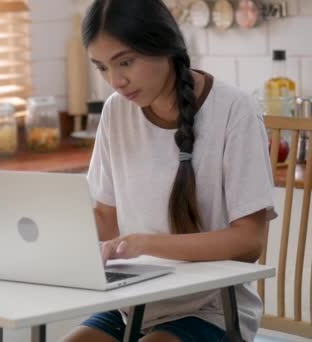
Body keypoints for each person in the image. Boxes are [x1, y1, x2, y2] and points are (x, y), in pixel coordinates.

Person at [62, 1, 276, 341]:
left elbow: (249, 241)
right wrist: (24, 237)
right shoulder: (116, 112)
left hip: (212, 309)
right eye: (101, 68)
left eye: (126, 62)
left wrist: (146, 244)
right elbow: (106, 219)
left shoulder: (235, 111)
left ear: (163, 44)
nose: (115, 81)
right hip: (133, 302)